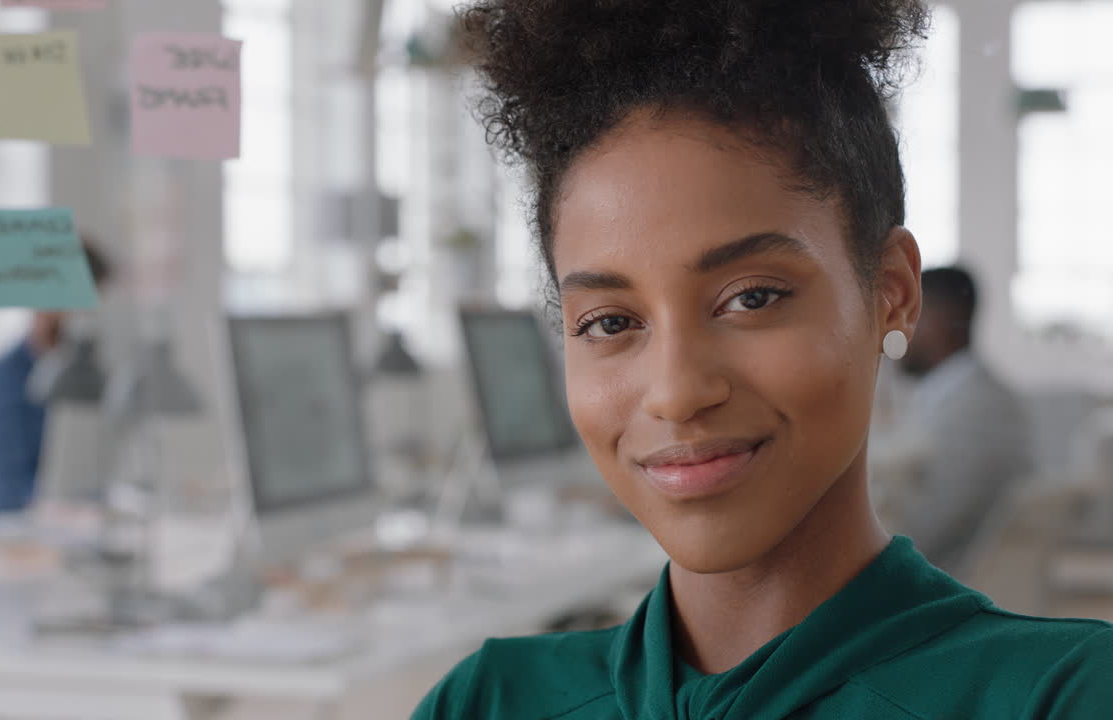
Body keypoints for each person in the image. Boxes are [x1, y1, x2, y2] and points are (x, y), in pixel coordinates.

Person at [413, 1, 1112, 718]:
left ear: (893, 294)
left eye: (751, 299)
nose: (678, 392)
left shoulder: (1062, 695)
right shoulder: (487, 702)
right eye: (612, 321)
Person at [882, 266, 1031, 576]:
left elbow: (937, 525)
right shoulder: (961, 394)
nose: (889, 332)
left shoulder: (978, 409)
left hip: (944, 587)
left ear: (938, 318)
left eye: (903, 315)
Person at [0, 240, 110, 516]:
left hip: (68, 525)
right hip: (9, 528)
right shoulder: (3, 377)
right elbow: (6, 486)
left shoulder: (87, 375)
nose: (89, 315)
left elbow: (90, 466)